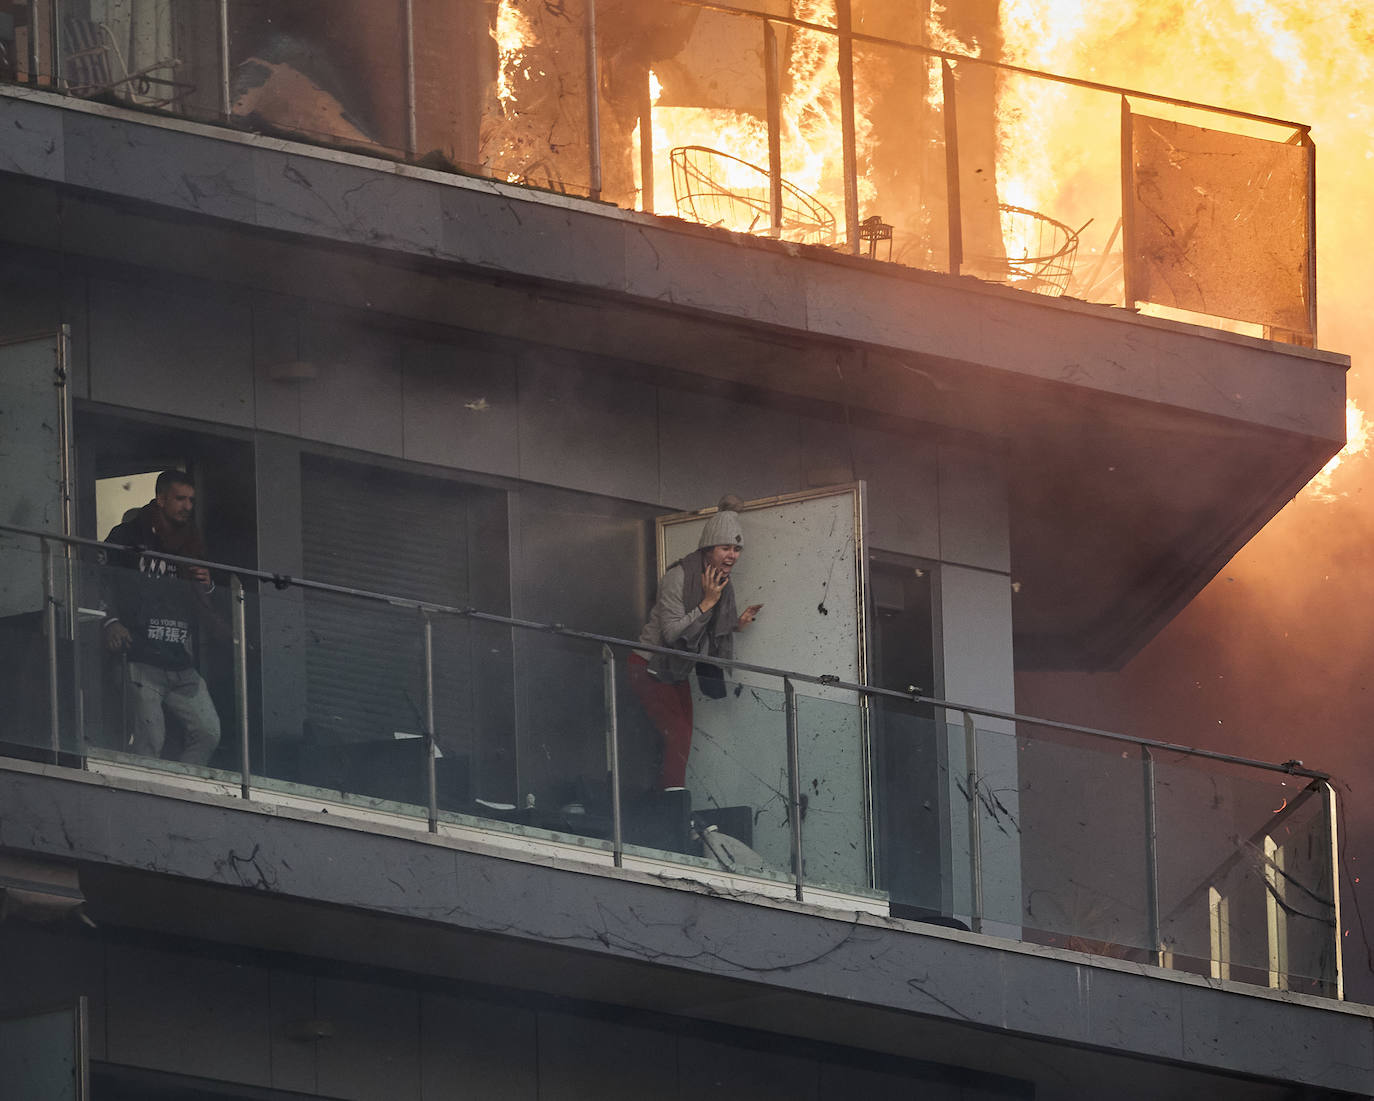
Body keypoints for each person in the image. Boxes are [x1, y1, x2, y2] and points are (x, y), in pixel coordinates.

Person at [629, 497, 762, 790]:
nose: (732, 555)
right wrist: (708, 602)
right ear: (708, 548)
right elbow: (674, 632)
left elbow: (708, 627)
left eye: (737, 549)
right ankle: (670, 803)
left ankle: (672, 798)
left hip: (676, 669)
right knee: (676, 735)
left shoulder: (720, 580)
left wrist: (736, 624)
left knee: (683, 736)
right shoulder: (678, 577)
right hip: (649, 665)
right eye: (725, 548)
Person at [100, 469, 222, 766]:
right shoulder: (126, 535)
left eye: (191, 500)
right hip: (140, 657)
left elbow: (201, 598)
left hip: (180, 659)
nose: (188, 507)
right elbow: (97, 576)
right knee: (150, 741)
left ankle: (182, 789)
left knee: (208, 733)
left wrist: (207, 584)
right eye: (181, 499)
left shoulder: (191, 541)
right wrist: (110, 621)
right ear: (160, 499)